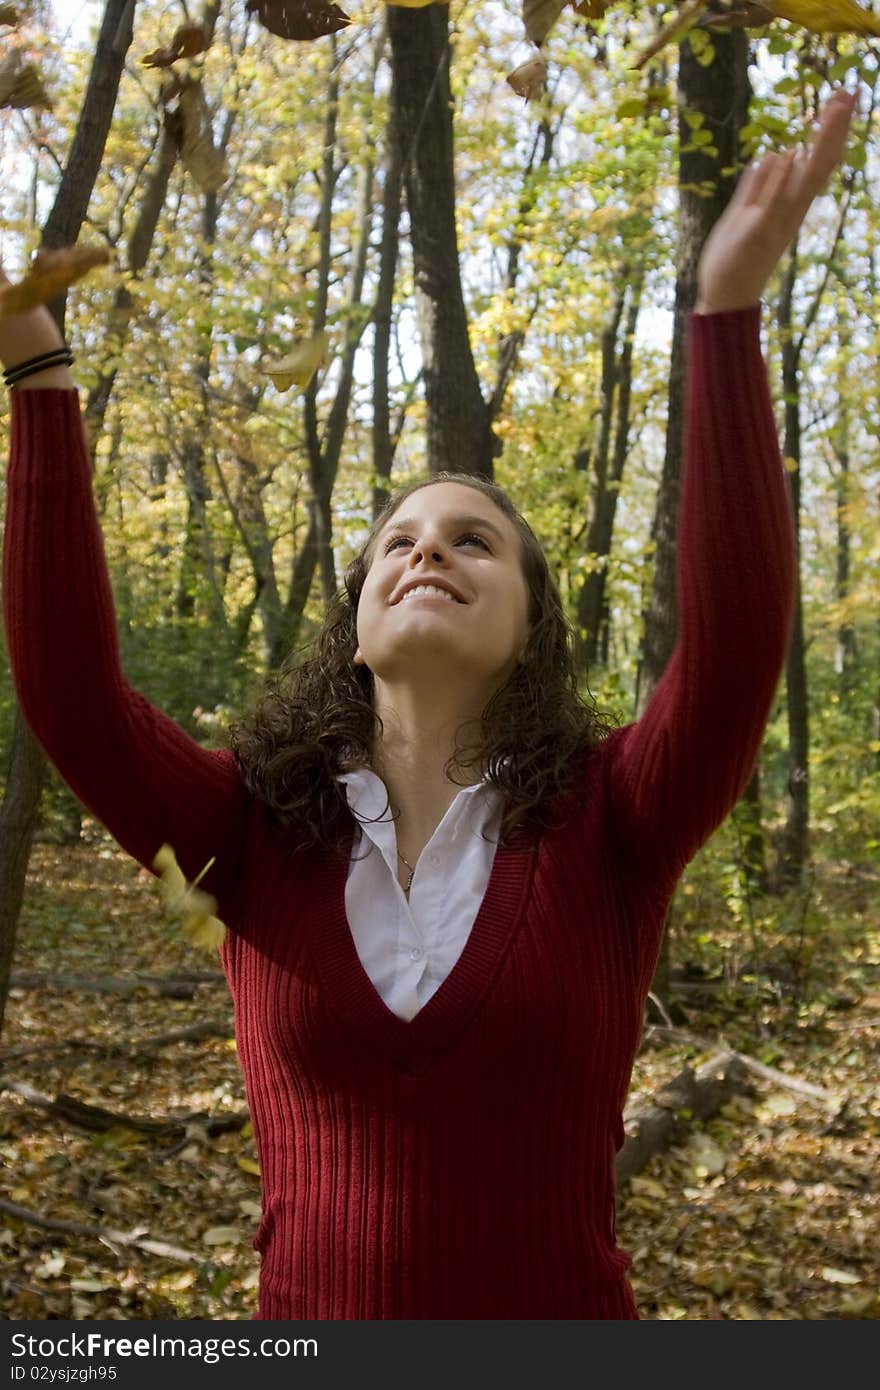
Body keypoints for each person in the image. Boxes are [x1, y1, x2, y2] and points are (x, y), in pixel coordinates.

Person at [1, 88, 856, 1320]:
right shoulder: (250, 832)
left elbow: (726, 658)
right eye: (397, 539)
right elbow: (75, 702)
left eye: (474, 542)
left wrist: (723, 316)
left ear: (527, 628)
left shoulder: (611, 818)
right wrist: (37, 374)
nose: (427, 553)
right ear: (356, 630)